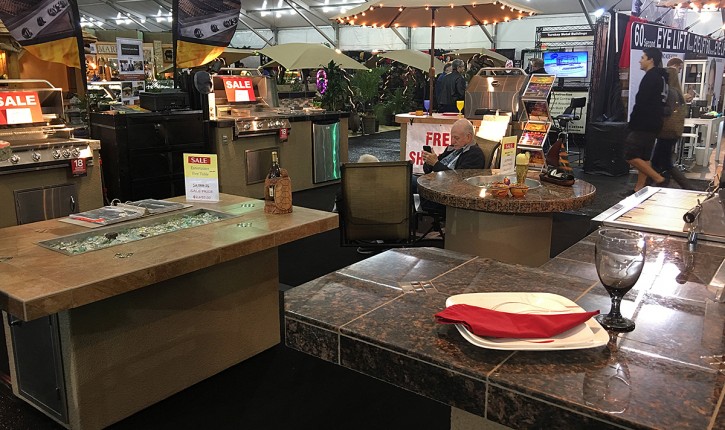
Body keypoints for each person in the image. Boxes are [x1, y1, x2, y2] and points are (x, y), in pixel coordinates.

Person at [623, 47, 668, 195]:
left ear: (651, 60)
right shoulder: (661, 78)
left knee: (630, 155)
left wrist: (633, 122)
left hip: (644, 123)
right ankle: (639, 189)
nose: (640, 61)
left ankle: (659, 178)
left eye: (643, 58)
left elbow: (642, 103)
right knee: (644, 157)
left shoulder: (651, 77)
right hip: (654, 123)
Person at [418, 119, 485, 213]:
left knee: (408, 183)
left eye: (456, 138)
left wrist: (435, 163)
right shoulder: (452, 149)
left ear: (468, 137)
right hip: (434, 186)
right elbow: (428, 170)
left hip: (447, 198)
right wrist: (429, 161)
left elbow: (459, 179)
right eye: (452, 137)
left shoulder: (475, 154)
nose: (453, 141)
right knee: (407, 180)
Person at [652, 57, 694, 190]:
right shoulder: (676, 92)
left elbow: (667, 110)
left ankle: (687, 187)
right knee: (659, 161)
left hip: (666, 132)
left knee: (664, 162)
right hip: (671, 131)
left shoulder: (670, 91)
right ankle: (652, 184)